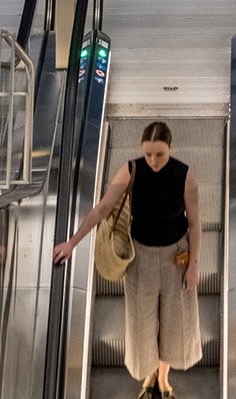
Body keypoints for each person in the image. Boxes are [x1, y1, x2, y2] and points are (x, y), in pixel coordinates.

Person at [54, 119, 201, 398]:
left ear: (170, 148)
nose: (154, 160)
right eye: (148, 153)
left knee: (173, 320)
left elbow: (194, 223)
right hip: (140, 255)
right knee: (140, 321)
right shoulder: (131, 170)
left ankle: (164, 379)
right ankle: (148, 376)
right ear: (141, 150)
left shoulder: (185, 175)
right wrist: (72, 242)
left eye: (159, 154)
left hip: (176, 255)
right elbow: (103, 208)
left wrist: (194, 264)